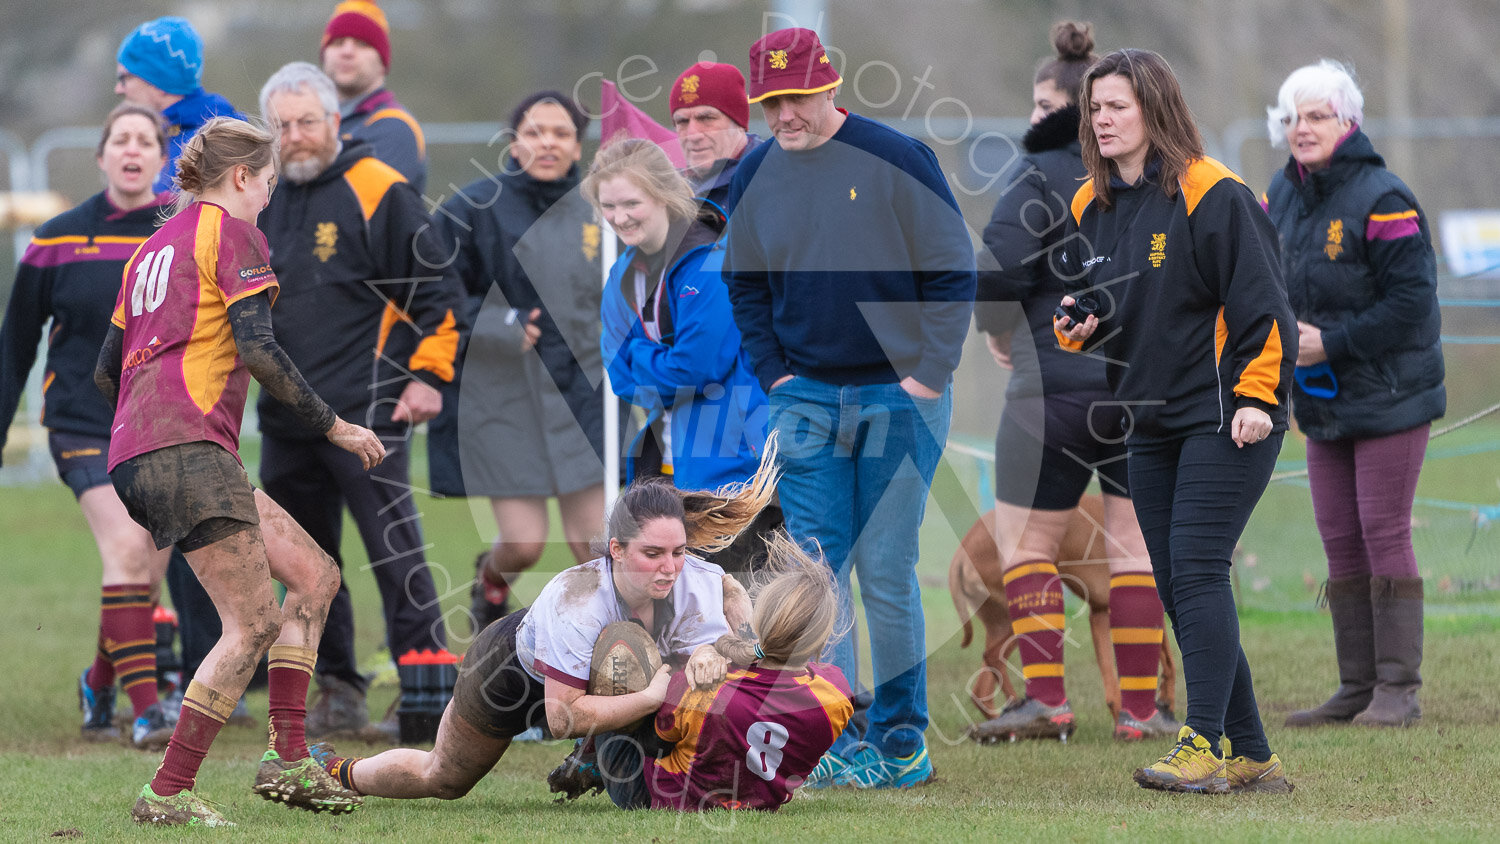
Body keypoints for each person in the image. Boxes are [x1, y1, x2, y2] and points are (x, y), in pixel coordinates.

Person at [93, 116, 385, 826]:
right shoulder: (231, 232)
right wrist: (335, 424)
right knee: (252, 623)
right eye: (270, 183)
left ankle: (287, 759)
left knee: (315, 575)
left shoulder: (149, 250)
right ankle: (165, 794)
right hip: (189, 450)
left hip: (142, 450)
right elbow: (258, 348)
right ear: (244, 177)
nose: (269, 198)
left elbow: (106, 371)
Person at [722, 27, 975, 789]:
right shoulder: (756, 171)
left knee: (888, 570)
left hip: (899, 396)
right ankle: (830, 733)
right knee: (814, 573)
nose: (783, 115)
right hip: (805, 399)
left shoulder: (896, 158)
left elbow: (952, 269)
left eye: (795, 98)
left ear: (831, 87)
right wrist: (773, 373)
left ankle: (901, 737)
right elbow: (746, 283)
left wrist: (928, 375)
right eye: (770, 102)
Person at [1055, 49, 1294, 795]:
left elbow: (1267, 307)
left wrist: (1258, 398)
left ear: (1155, 109)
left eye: (1116, 106)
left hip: (1226, 416)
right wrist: (1081, 319)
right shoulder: (1089, 204)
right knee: (1180, 582)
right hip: (1147, 419)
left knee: (1195, 570)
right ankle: (1252, 753)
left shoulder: (1211, 191)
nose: (1102, 119)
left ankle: (1203, 741)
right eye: (1095, 108)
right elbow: (1110, 300)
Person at [304, 463, 780, 803]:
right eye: (652, 553)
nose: (670, 567)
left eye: (678, 552)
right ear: (615, 549)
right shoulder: (575, 599)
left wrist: (729, 647)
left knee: (655, 669)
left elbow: (715, 636)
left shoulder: (696, 580)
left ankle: (597, 755)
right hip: (509, 673)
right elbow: (561, 717)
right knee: (442, 780)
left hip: (606, 682)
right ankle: (335, 770)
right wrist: (655, 696)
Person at [969, 22, 1175, 744]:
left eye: (1041, 103)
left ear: (1070, 106)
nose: (1034, 117)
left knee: (1027, 547)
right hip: (1137, 390)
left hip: (1048, 390)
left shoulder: (1037, 177)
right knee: (1136, 548)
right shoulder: (1155, 174)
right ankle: (1141, 711)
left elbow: (993, 278)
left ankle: (1049, 704)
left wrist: (999, 334)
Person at [255, 62, 463, 738]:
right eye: (282, 126)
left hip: (367, 413)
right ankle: (337, 687)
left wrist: (429, 376)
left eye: (306, 122)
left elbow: (441, 297)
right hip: (285, 421)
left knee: (395, 555)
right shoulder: (261, 197)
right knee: (305, 566)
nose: (294, 137)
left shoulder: (382, 189)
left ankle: (429, 696)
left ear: (335, 122)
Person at [1264, 60, 1443, 729]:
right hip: (1322, 399)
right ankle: (1356, 686)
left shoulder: (1385, 198)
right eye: (1293, 118)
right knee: (1339, 537)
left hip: (1392, 391)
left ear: (1349, 122)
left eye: (1317, 116)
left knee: (1383, 530)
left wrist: (1330, 344)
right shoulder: (1280, 198)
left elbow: (1413, 306)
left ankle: (1399, 689)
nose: (1302, 129)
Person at [0, 103, 179, 748]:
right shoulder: (55, 240)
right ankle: (147, 710)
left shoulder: (182, 237)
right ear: (101, 156)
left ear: (164, 159)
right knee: (128, 552)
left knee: (145, 572)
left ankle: (98, 683)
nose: (132, 150)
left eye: (146, 141)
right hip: (82, 425)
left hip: (161, 429)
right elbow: (14, 346)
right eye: (120, 140)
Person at [424, 91, 607, 634]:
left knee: (594, 549)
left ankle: (596, 654)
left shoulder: (605, 208)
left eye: (560, 133)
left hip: (584, 394)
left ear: (578, 145)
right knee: (525, 544)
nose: (547, 142)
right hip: (505, 400)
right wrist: (495, 324)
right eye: (534, 131)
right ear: (514, 142)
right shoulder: (472, 207)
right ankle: (491, 583)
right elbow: (434, 291)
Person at [116, 15, 245, 702]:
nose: (118, 85)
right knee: (190, 525)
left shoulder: (200, 145)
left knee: (195, 528)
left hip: (192, 365)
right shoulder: (194, 129)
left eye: (126, 73)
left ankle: (209, 668)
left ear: (157, 81)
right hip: (188, 364)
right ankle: (204, 662)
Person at [607, 531, 853, 811]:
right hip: (757, 803)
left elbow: (654, 741)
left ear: (758, 619)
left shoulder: (706, 689)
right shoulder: (837, 694)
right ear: (821, 641)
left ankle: (589, 755)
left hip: (656, 796)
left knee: (622, 654)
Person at [591, 138, 767, 492]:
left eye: (631, 203)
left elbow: (696, 370)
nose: (619, 218)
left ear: (663, 195)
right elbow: (618, 376)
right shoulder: (621, 272)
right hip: (664, 458)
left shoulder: (710, 260)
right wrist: (660, 365)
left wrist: (639, 353)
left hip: (729, 463)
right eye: (608, 206)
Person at [115, 16, 242, 193]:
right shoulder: (164, 133)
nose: (118, 89)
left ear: (158, 82)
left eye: (124, 78)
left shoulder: (216, 146)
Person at [319, 0, 427, 192]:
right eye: (338, 42)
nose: (347, 51)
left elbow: (354, 207)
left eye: (362, 43)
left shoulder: (394, 128)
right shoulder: (306, 122)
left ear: (382, 61)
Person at [669, 61, 760, 216]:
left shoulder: (772, 177)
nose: (693, 134)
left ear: (738, 123)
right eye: (682, 122)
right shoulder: (667, 192)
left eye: (706, 118)